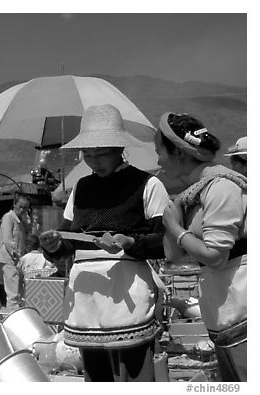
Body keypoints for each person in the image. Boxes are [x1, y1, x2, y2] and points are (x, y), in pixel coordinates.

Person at [39, 104, 170, 382]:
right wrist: (53, 247)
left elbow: (164, 240)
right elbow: (69, 239)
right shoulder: (82, 188)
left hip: (127, 291)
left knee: (135, 372)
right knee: (96, 373)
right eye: (87, 155)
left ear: (119, 150)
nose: (94, 161)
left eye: (101, 155)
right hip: (86, 293)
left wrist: (130, 242)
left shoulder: (147, 185)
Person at [155, 112, 246, 381]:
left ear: (178, 153)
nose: (157, 160)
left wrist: (176, 228)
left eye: (159, 151)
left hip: (243, 305)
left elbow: (215, 255)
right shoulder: (191, 195)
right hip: (224, 309)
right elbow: (172, 254)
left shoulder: (221, 188)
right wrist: (174, 218)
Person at [0, 194, 31, 308]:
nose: (22, 210)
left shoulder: (21, 221)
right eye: (20, 206)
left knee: (20, 293)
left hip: (18, 260)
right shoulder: (8, 217)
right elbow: (7, 240)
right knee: (13, 295)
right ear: (14, 205)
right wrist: (17, 254)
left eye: (25, 208)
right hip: (10, 260)